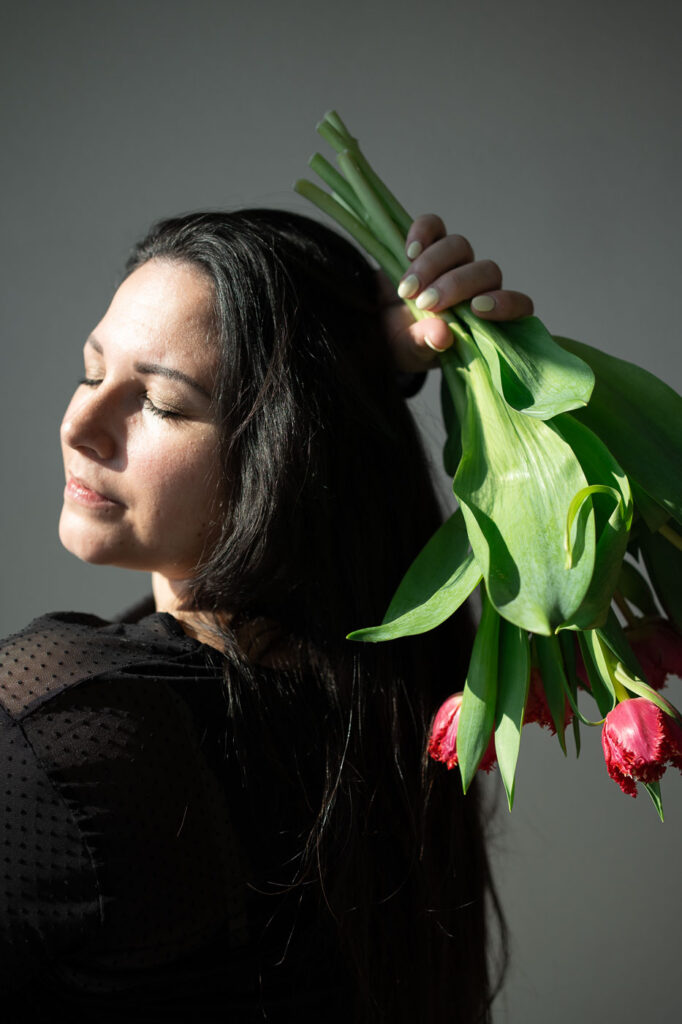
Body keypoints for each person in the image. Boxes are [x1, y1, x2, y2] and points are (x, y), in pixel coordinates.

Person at [0, 208, 533, 1023]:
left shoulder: (69, 723)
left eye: (162, 404)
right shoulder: (386, 710)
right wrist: (368, 353)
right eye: (90, 370)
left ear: (288, 451)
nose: (80, 427)